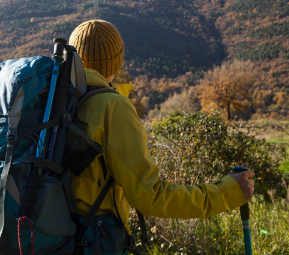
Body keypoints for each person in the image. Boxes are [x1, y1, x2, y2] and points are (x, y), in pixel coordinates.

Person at [68, 20, 255, 252]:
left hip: (50, 240)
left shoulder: (57, 102)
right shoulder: (112, 106)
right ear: (116, 61)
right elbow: (150, 197)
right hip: (92, 243)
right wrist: (226, 193)